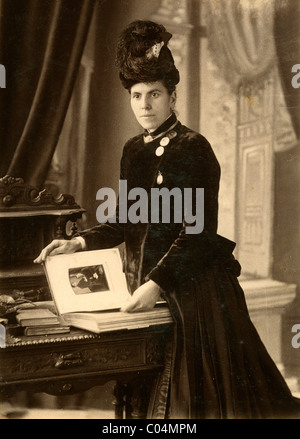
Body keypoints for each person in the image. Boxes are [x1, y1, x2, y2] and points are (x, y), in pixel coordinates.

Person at [34, 20, 300, 419]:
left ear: (172, 97)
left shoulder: (194, 148)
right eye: (137, 95)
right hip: (144, 287)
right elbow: (126, 218)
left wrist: (156, 284)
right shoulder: (133, 150)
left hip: (193, 292)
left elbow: (197, 233)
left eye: (154, 94)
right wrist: (79, 242)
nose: (144, 104)